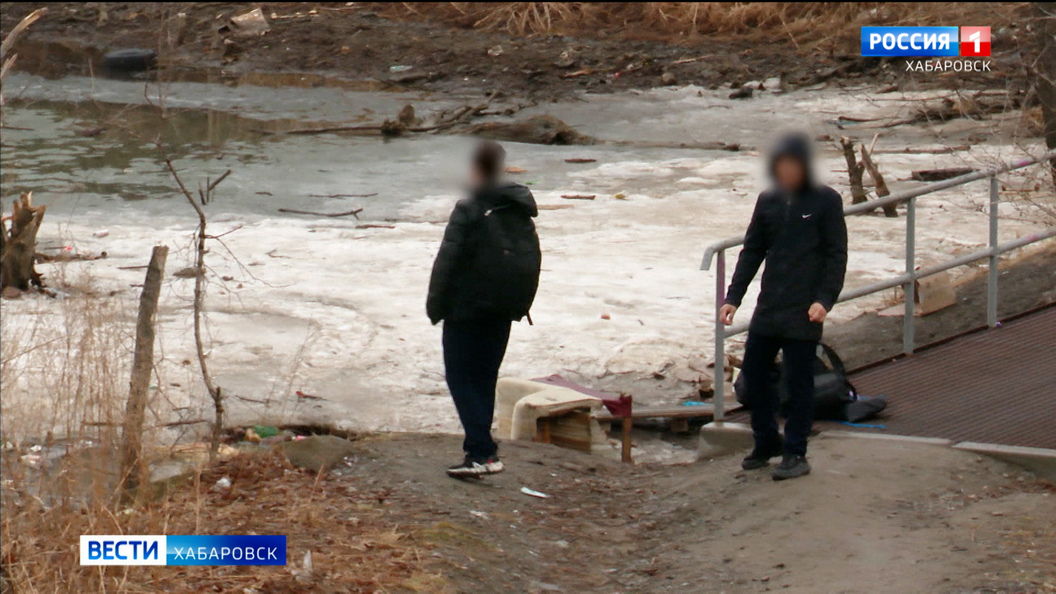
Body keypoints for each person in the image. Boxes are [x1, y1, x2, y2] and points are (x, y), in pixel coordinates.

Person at [719, 133, 848, 481]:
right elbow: (752, 251)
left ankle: (795, 452)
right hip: (770, 305)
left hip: (805, 309)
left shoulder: (826, 201)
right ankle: (766, 441)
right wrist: (733, 297)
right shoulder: (769, 200)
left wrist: (825, 300)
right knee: (753, 376)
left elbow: (836, 256)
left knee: (799, 382)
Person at [427, 141, 541, 479]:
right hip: (502, 309)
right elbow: (531, 260)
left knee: (461, 377)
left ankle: (481, 452)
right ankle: (482, 451)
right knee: (484, 378)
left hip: (466, 310)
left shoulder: (470, 209)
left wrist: (436, 306)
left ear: (476, 169)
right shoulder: (517, 208)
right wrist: (519, 305)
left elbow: (447, 261)